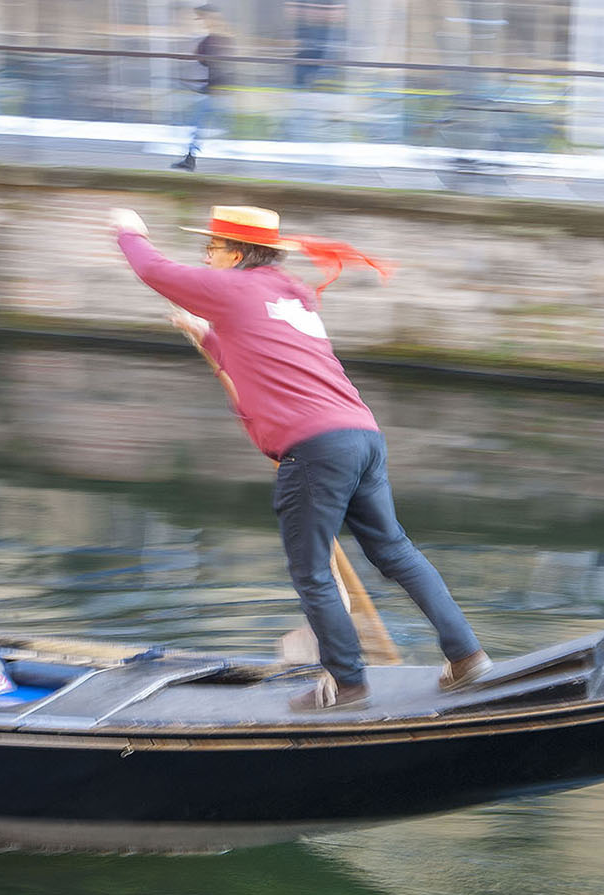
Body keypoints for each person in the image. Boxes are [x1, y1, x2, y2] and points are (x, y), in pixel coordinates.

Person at [110, 204, 492, 712]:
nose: (206, 258)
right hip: (361, 435)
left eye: (212, 249)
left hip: (314, 449)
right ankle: (466, 656)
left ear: (239, 253)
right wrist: (207, 334)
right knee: (395, 551)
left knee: (311, 572)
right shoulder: (291, 292)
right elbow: (265, 355)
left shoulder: (233, 288)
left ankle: (347, 684)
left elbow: (155, 271)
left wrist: (130, 232)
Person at [172, 4, 232, 172]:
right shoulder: (217, 36)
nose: (201, 21)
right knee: (200, 126)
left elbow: (210, 60)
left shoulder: (218, 37)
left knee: (203, 125)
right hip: (214, 89)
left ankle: (192, 159)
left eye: (202, 17)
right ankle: (190, 158)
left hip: (217, 90)